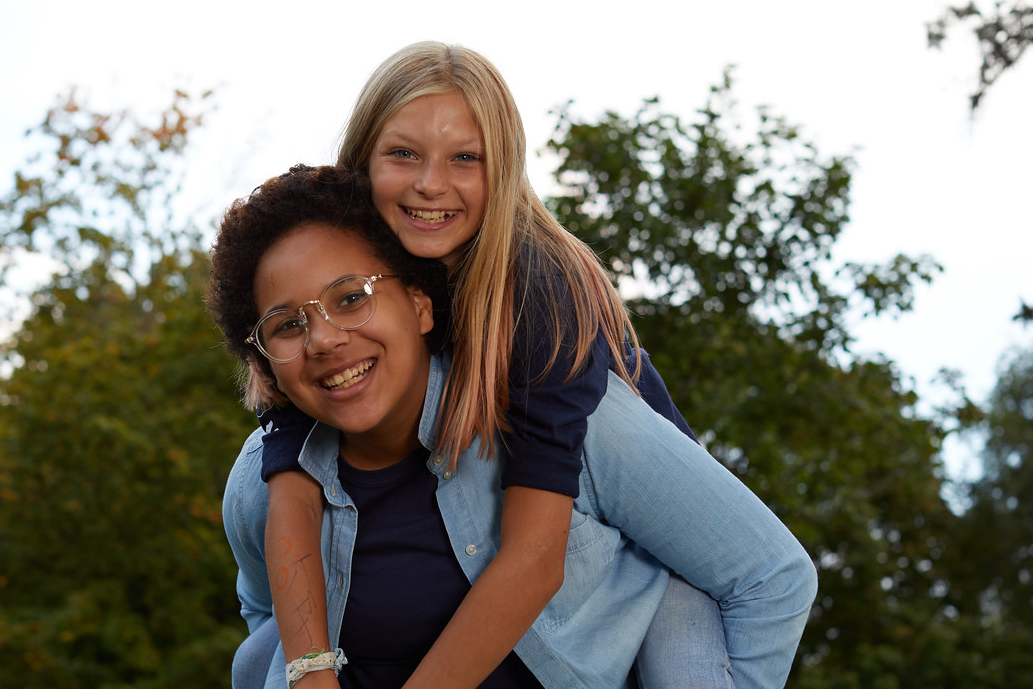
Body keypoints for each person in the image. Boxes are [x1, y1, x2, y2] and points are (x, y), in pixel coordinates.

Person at [209, 165, 816, 689]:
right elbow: (265, 619)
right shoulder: (261, 484)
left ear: (420, 304)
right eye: (287, 325)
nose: (324, 341)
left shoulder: (564, 414)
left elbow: (771, 579)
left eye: (350, 298)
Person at [251, 42, 714, 689]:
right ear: (362, 160)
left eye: (466, 157)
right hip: (550, 554)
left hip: (654, 557)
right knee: (261, 651)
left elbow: (534, 555)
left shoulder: (539, 291)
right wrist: (310, 668)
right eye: (404, 153)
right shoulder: (346, 271)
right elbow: (291, 456)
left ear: (503, 170)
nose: (430, 183)